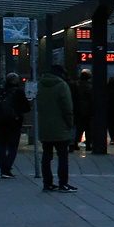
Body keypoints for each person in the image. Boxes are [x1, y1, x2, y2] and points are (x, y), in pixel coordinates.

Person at [36, 59, 76, 193]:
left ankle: (47, 183)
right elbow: (67, 107)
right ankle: (63, 184)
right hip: (60, 126)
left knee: (46, 156)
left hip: (45, 126)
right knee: (62, 156)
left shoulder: (40, 85)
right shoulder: (62, 85)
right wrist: (70, 124)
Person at [0, 72, 30, 178]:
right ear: (15, 80)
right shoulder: (19, 93)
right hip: (14, 123)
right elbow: (26, 108)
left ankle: (3, 168)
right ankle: (7, 168)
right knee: (13, 147)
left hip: (0, 123)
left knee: (1, 146)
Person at [71, 70, 93, 150]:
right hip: (87, 110)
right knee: (88, 128)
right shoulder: (90, 86)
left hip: (77, 109)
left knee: (78, 128)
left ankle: (75, 143)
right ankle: (88, 145)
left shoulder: (75, 85)